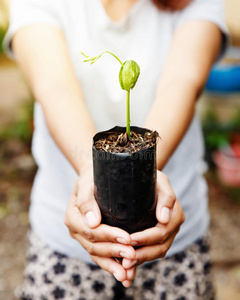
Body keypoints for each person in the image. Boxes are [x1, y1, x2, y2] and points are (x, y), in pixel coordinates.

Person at [4, 0, 228, 299]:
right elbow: (54, 86)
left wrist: (146, 169)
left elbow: (182, 82)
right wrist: (92, 173)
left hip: (170, 234)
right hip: (69, 239)